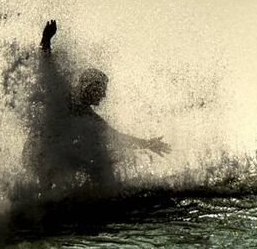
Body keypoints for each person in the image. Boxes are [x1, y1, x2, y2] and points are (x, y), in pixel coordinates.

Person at [22, 20, 169, 191]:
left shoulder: (88, 115)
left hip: (50, 155)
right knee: (54, 159)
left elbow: (115, 136)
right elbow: (47, 66)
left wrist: (147, 144)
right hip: (35, 152)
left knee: (94, 159)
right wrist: (46, 39)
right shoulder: (62, 96)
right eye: (102, 90)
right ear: (90, 88)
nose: (104, 95)